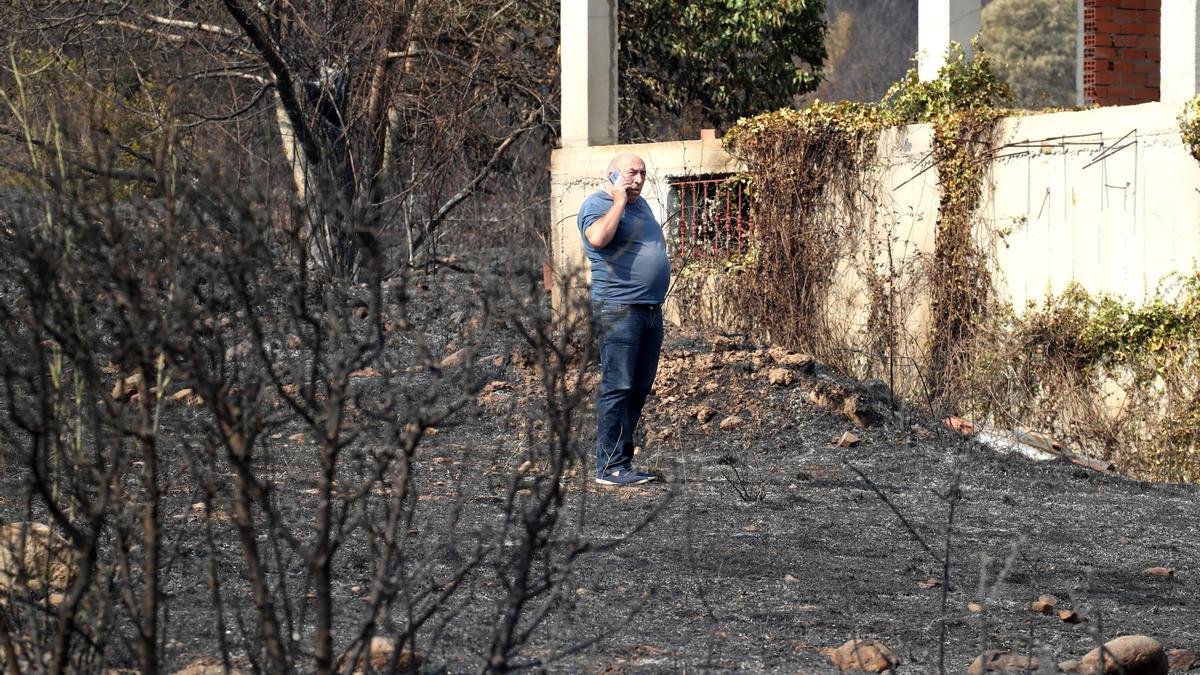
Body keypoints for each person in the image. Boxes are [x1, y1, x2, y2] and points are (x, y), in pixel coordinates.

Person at [577, 153, 670, 486]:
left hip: (648, 310)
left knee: (639, 387)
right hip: (618, 309)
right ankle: (609, 467)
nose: (639, 179)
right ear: (613, 174)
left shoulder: (642, 206)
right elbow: (598, 238)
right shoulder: (598, 203)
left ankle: (621, 462)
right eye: (631, 173)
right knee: (617, 386)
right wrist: (618, 199)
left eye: (643, 173)